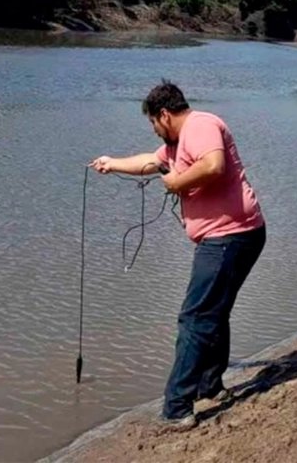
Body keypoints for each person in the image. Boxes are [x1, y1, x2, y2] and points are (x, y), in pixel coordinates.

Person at [90, 80, 266, 430]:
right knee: (213, 313)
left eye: (153, 123)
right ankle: (210, 387)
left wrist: (177, 183)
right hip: (234, 235)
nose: (154, 130)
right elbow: (150, 162)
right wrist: (112, 164)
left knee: (195, 318)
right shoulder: (178, 142)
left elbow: (213, 165)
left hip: (228, 237)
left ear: (164, 115)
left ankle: (177, 408)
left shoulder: (200, 125)